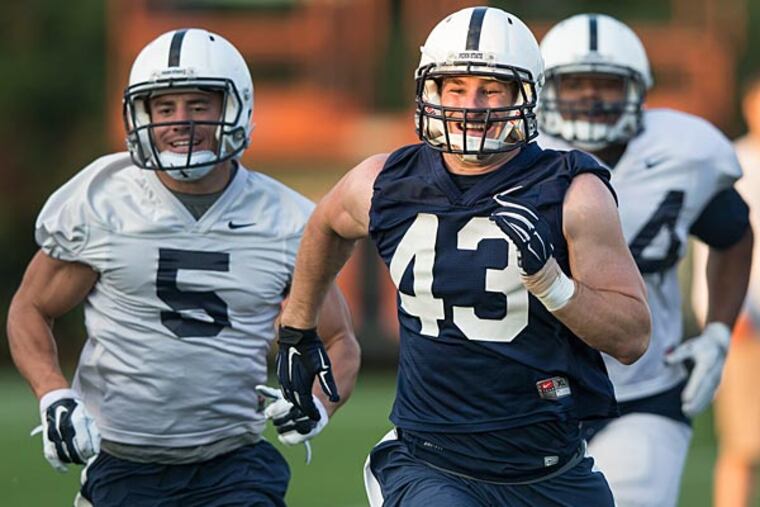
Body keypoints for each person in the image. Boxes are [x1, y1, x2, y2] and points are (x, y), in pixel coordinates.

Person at [273, 7, 651, 506]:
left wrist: (553, 284)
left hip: (551, 467)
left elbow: (631, 337)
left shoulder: (574, 193)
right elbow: (325, 225)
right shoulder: (383, 180)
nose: (471, 105)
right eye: (455, 88)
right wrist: (298, 330)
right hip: (430, 461)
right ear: (430, 92)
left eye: (491, 89)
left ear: (525, 95)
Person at [6, 28, 360, 507]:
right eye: (165, 107)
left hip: (234, 463)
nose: (180, 121)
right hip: (123, 461)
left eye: (198, 106)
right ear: (141, 114)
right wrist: (53, 395)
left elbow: (338, 341)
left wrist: (318, 405)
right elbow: (30, 307)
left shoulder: (284, 220)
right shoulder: (103, 201)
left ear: (234, 108)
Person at [537, 13, 753, 507]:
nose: (591, 97)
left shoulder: (685, 151)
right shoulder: (517, 156)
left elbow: (734, 236)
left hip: (643, 390)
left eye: (606, 83)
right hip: (526, 396)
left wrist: (718, 331)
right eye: (574, 84)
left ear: (639, 89)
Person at [692, 73, 760, 507]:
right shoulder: (732, 161)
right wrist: (719, 316)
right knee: (743, 446)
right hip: (746, 324)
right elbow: (714, 245)